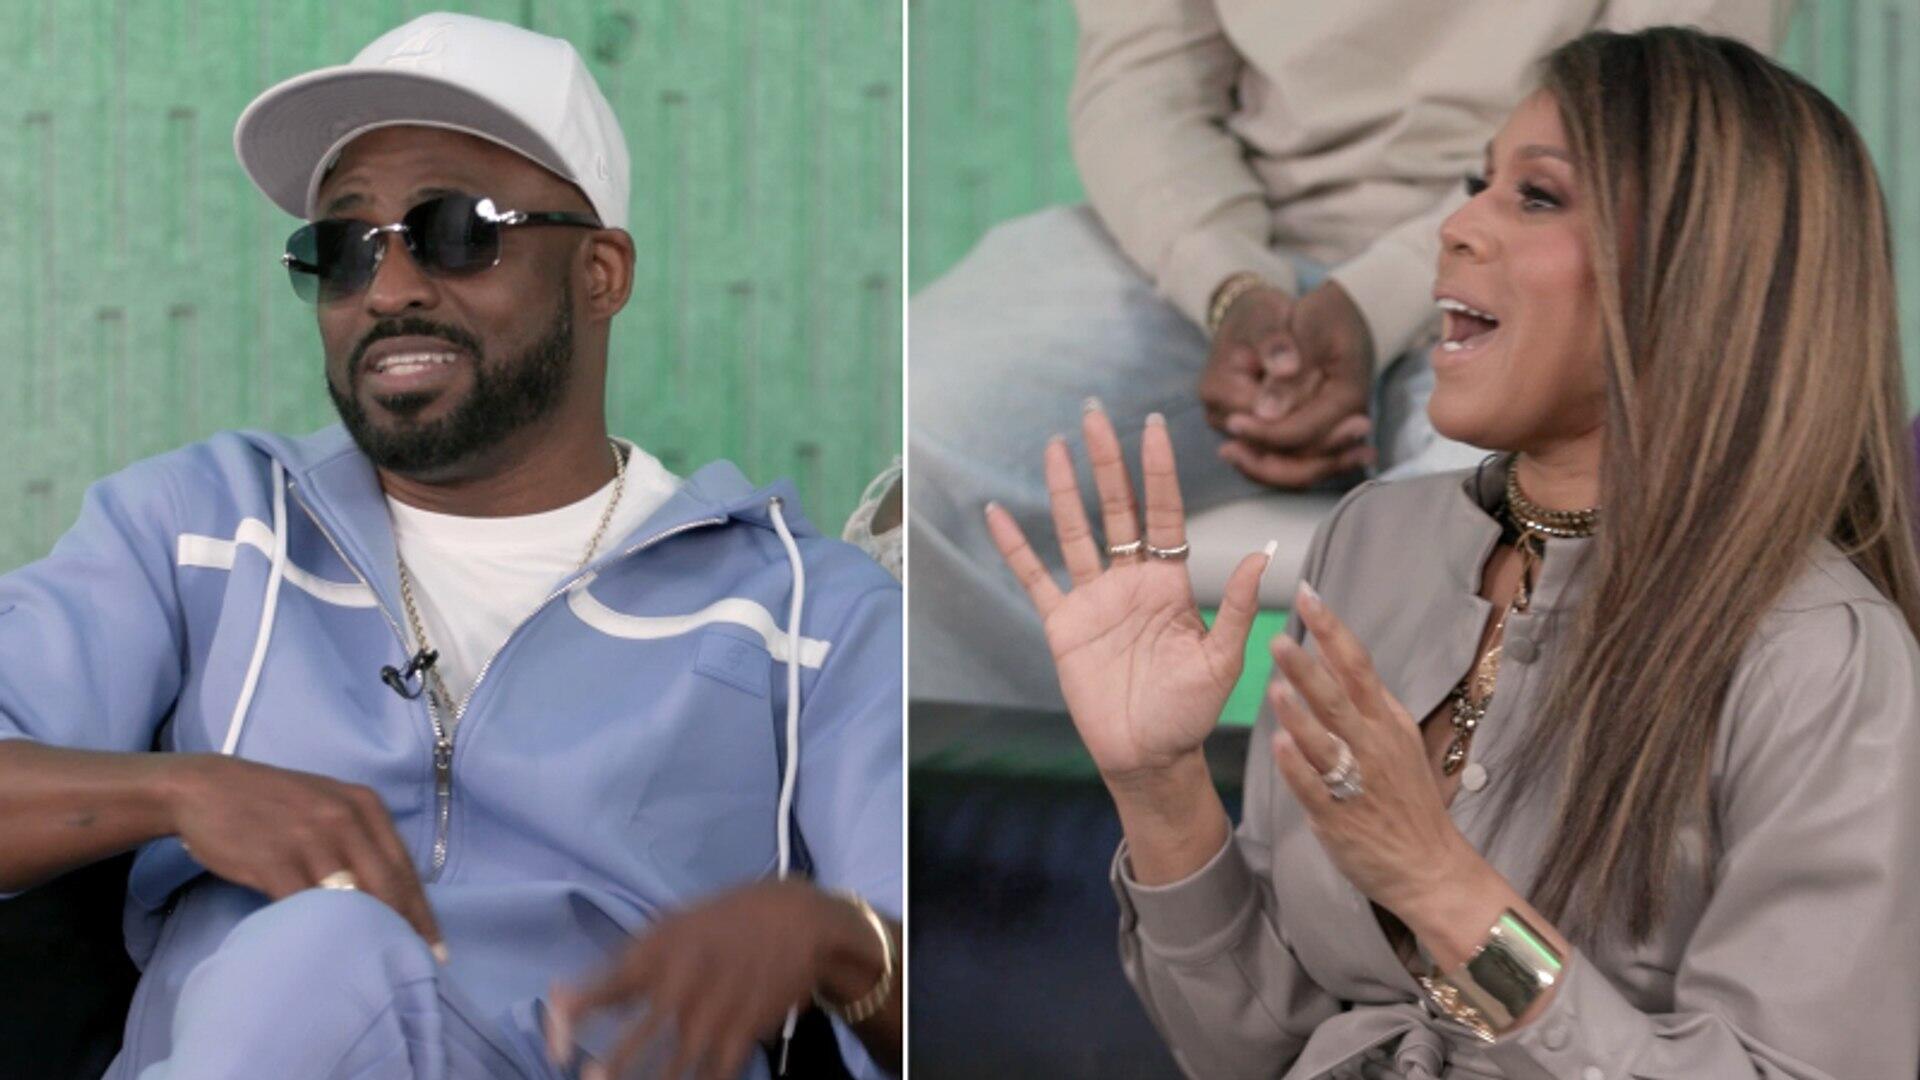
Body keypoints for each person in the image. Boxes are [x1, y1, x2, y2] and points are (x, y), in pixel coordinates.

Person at [988, 27, 1920, 1079]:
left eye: (1537, 197)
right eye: (1478, 185)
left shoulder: (1823, 657)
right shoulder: (1373, 543)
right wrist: (1160, 785)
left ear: (1702, 271)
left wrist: (1444, 889)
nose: (1458, 225)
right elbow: (1251, 1049)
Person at [0, 14, 901, 1079]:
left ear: (600, 273)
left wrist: (839, 941)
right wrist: (182, 792)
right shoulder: (205, 527)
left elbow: (964, 999)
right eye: (344, 249)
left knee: (314, 952)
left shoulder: (806, 613)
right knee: (314, 955)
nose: (388, 290)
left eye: (458, 231)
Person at [911, 0, 1791, 710]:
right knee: (923, 433)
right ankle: (1009, 837)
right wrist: (1231, 287)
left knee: (1508, 526)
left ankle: (1419, 860)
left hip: (1554, 245)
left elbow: (1660, 117)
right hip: (1222, 243)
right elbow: (1140, 82)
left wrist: (1372, 307)